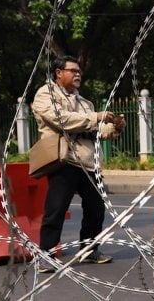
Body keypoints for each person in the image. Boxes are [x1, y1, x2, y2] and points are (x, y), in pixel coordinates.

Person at [31, 55, 126, 273]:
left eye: (79, 71)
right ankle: (45, 255)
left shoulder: (85, 103)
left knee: (96, 208)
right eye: (73, 71)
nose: (77, 74)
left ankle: (89, 250)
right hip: (64, 160)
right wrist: (95, 117)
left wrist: (115, 126)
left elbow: (96, 131)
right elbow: (60, 119)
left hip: (88, 163)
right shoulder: (46, 94)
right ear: (58, 73)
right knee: (56, 209)